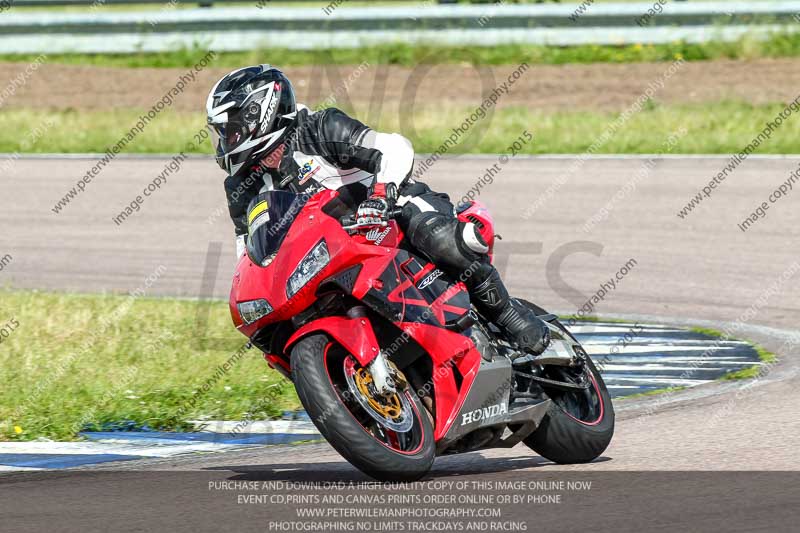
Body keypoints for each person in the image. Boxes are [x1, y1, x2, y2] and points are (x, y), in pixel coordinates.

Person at [207, 65, 549, 355]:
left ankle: (506, 315)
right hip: (332, 255)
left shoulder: (317, 128)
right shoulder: (243, 186)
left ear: (259, 113)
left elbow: (393, 147)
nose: (227, 140)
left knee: (432, 232)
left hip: (388, 214)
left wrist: (382, 194)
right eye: (223, 133)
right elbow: (249, 251)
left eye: (231, 129)